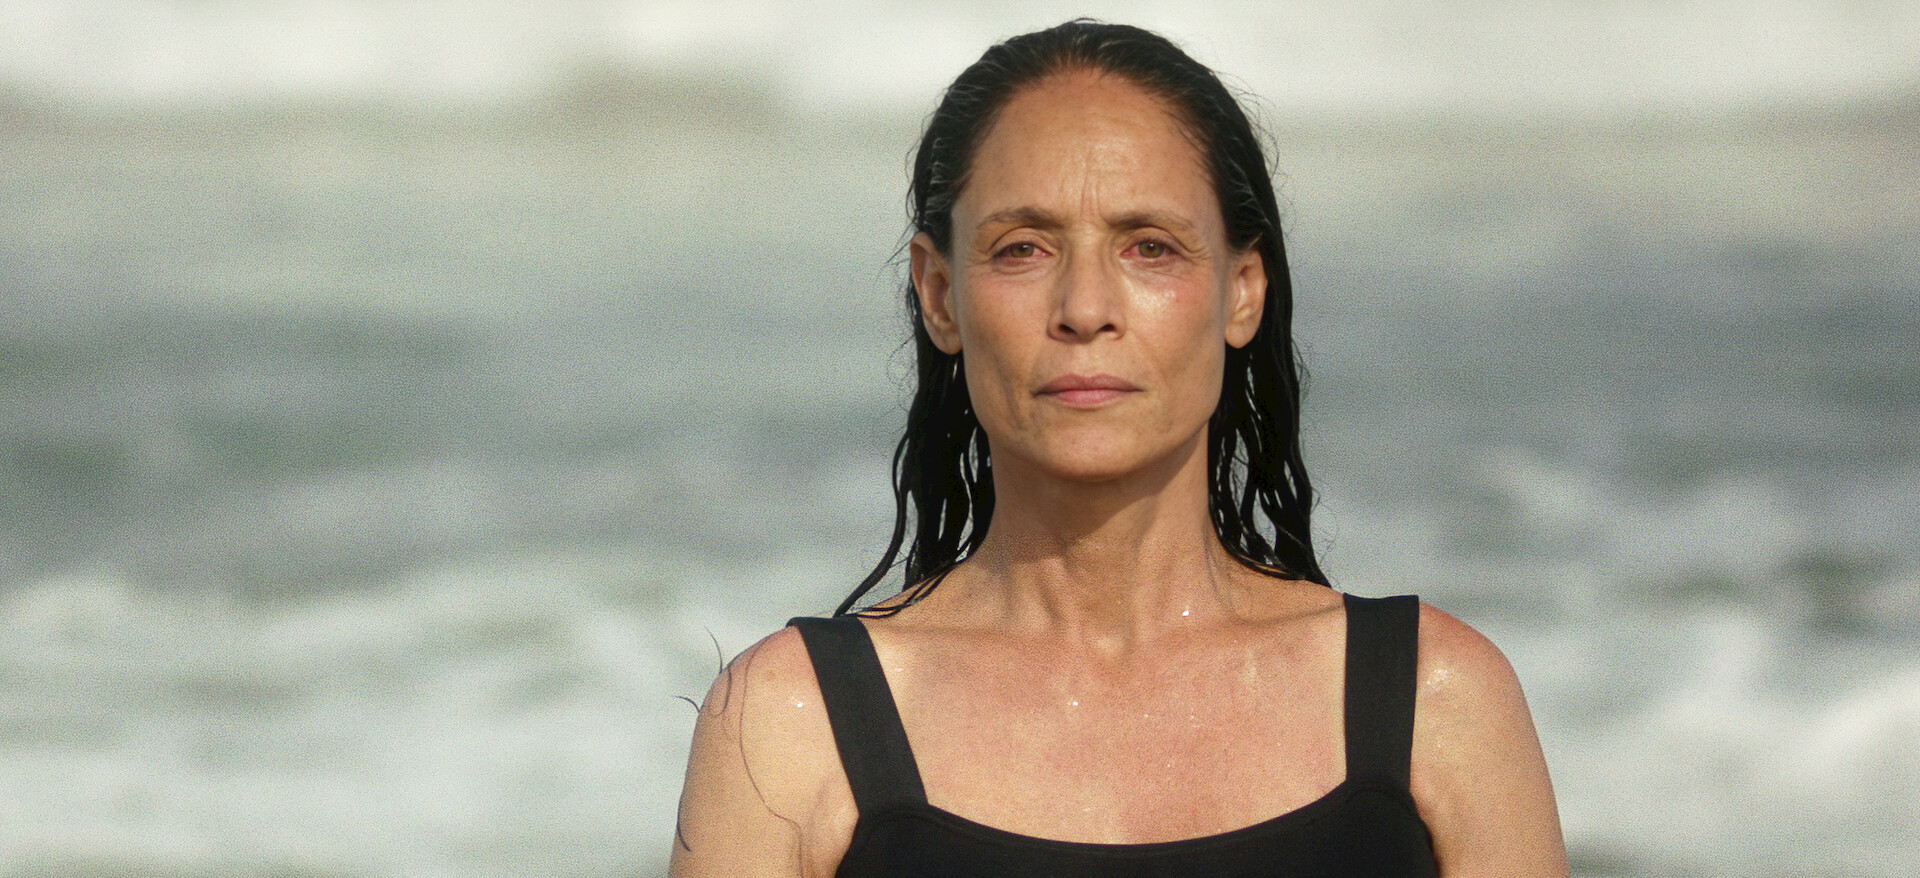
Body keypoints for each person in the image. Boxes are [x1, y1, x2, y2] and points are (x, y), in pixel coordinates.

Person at [671, 20, 1568, 877]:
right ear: (940, 295)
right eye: (1023, 249)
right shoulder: (794, 728)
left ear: (1242, 291)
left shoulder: (1437, 703)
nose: (1086, 308)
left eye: (1150, 247)